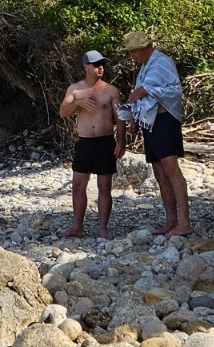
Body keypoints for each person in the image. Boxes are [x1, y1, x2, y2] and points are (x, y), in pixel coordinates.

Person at [121, 30, 191, 236]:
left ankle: (184, 222)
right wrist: (135, 119)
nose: (132, 56)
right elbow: (141, 96)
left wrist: (145, 91)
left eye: (133, 51)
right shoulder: (145, 68)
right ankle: (171, 221)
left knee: (171, 169)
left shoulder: (162, 62)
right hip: (150, 122)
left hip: (165, 120)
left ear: (144, 48)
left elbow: (174, 91)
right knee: (159, 173)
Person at [57, 49, 127, 238]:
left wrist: (122, 141)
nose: (100, 67)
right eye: (96, 64)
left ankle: (103, 228)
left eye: (102, 64)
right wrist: (78, 103)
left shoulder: (111, 90)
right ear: (86, 67)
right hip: (85, 142)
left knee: (104, 185)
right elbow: (63, 112)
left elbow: (120, 117)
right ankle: (76, 226)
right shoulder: (75, 89)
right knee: (78, 184)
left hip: (105, 142)